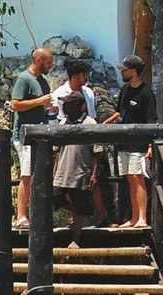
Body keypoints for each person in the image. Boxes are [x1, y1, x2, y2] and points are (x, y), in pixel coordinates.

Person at [8, 47, 57, 228]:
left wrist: (50, 107)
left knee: (40, 174)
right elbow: (15, 104)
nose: (50, 66)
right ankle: (21, 215)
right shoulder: (24, 79)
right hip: (24, 135)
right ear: (38, 60)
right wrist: (40, 102)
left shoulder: (43, 81)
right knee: (26, 175)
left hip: (40, 134)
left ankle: (36, 213)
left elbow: (42, 104)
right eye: (48, 62)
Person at [106, 54, 155, 229]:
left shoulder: (146, 93)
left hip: (139, 143)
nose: (122, 72)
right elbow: (120, 113)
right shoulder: (125, 89)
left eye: (124, 70)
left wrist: (151, 145)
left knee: (138, 177)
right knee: (129, 178)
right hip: (123, 141)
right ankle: (133, 218)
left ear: (133, 71)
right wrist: (104, 125)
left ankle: (142, 217)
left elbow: (151, 121)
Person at [51, 89, 99, 242]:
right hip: (62, 171)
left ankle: (76, 238)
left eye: (68, 104)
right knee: (53, 197)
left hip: (81, 171)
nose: (64, 106)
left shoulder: (90, 123)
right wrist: (55, 170)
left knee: (80, 201)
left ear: (79, 105)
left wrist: (94, 174)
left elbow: (98, 151)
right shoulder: (63, 123)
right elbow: (57, 150)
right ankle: (77, 212)